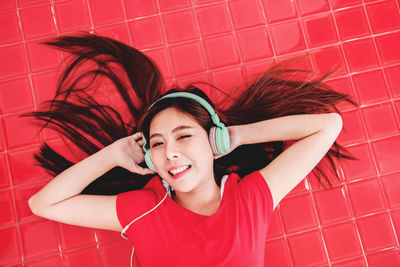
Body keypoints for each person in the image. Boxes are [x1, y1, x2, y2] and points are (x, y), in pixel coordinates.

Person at [24, 33, 358, 266]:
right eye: (158, 143)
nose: (169, 152)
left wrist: (235, 136)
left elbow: (328, 125)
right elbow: (43, 203)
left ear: (213, 142)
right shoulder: (142, 211)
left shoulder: (250, 199)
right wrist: (113, 155)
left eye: (183, 136)